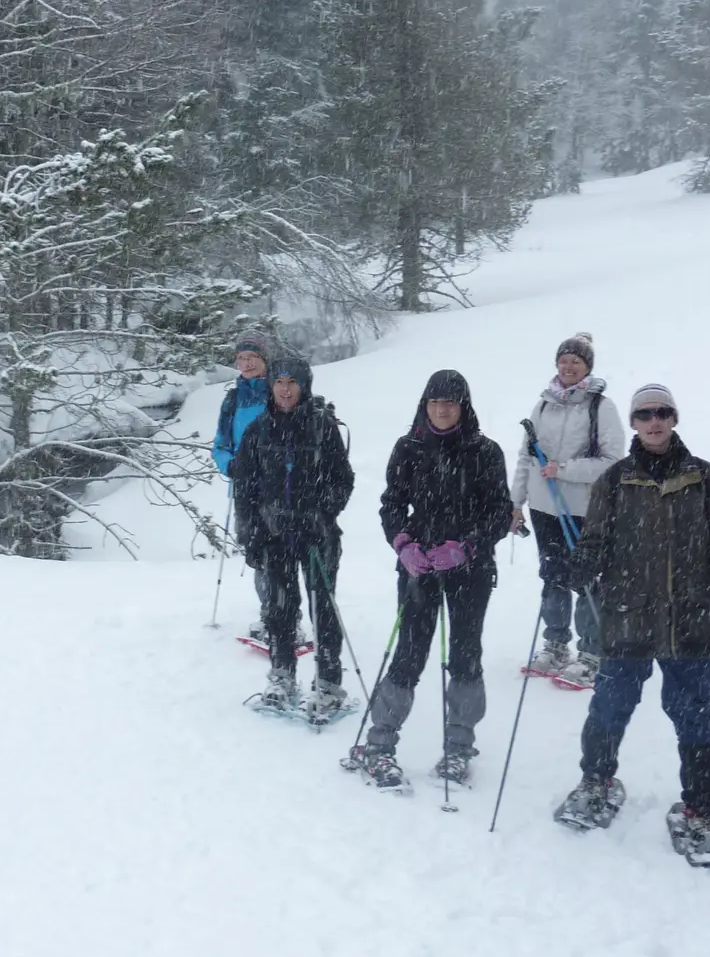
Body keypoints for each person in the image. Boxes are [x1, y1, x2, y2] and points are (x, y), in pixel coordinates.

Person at [554, 385, 710, 861]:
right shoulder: (615, 481)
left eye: (662, 412)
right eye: (645, 414)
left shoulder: (705, 478)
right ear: (636, 422)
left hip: (691, 620)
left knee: (694, 717)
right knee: (610, 706)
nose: (654, 421)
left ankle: (699, 809)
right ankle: (596, 782)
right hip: (628, 618)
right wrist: (578, 566)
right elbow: (595, 541)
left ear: (674, 418)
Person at [348, 370, 512, 790]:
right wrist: (402, 542)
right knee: (409, 654)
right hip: (419, 567)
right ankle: (379, 744)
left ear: (464, 407)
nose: (442, 410)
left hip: (469, 571)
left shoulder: (485, 451)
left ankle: (459, 747)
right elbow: (391, 504)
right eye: (436, 403)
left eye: (451, 403)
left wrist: (467, 546)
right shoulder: (409, 448)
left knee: (465, 655)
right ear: (425, 406)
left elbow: (499, 512)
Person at [229, 356, 354, 720]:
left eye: (292, 383)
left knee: (323, 608)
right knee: (280, 610)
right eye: (279, 382)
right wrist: (250, 535)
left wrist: (322, 512)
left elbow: (342, 479)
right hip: (273, 535)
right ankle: (282, 675)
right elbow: (245, 488)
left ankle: (329, 682)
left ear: (304, 386)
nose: (285, 389)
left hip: (317, 535)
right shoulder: (258, 430)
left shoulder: (322, 428)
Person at [509, 332, 626, 689]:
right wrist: (516, 503)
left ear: (587, 366)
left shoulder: (600, 406)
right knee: (553, 575)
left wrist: (563, 469)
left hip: (583, 510)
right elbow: (526, 457)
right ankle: (555, 645)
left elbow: (612, 461)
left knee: (587, 579)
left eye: (576, 360)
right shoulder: (543, 405)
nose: (568, 366)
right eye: (564, 360)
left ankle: (591, 652)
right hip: (545, 509)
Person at [213, 331, 280, 643]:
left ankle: (284, 615)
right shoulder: (232, 400)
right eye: (241, 358)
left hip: (280, 488)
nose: (246, 363)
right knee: (258, 553)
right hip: (244, 490)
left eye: (252, 357)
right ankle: (270, 614)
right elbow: (221, 444)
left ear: (265, 359)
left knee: (281, 553)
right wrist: (230, 466)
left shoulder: (281, 391)